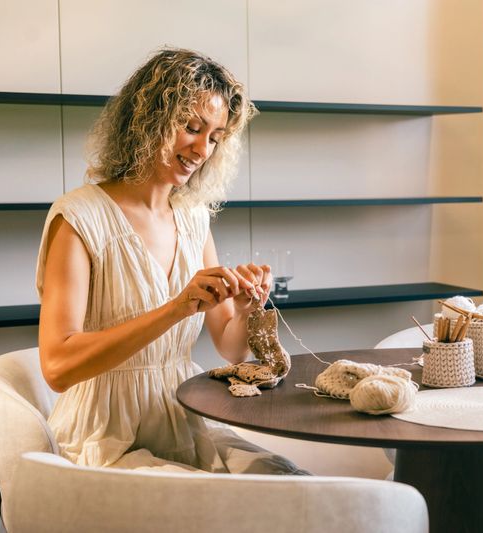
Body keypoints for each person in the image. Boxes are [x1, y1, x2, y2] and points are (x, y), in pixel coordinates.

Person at [36, 48, 307, 474]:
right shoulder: (79, 218)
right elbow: (57, 366)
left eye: (216, 137)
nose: (203, 149)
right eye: (192, 127)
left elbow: (229, 345)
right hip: (106, 433)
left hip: (185, 414)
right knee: (234, 503)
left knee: (290, 481)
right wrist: (176, 308)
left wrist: (248, 310)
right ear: (149, 121)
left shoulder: (195, 218)